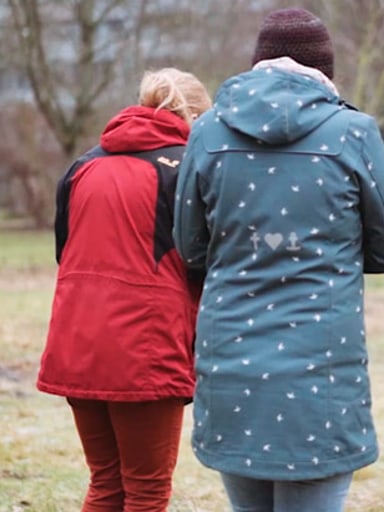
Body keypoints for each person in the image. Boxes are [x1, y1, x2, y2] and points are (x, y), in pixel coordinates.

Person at [172, 7, 384, 512]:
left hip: (231, 368)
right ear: (325, 71)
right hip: (319, 376)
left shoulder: (209, 132)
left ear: (258, 63)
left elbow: (190, 247)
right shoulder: (354, 133)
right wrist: (331, 253)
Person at [37, 67, 212, 511]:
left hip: (76, 339)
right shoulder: (187, 169)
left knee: (106, 483)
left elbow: (66, 251)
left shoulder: (83, 164)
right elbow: (202, 261)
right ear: (196, 116)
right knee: (147, 490)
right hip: (144, 348)